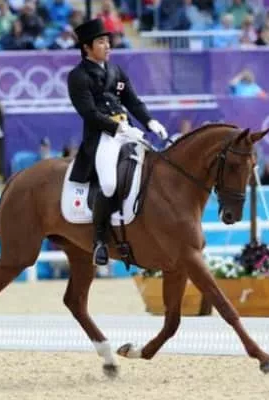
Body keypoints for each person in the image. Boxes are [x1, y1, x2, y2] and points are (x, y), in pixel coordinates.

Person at [67, 18, 168, 266]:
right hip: (103, 136)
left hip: (128, 131)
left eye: (108, 41)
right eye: (101, 42)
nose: (108, 46)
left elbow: (132, 101)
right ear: (87, 47)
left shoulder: (116, 71)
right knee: (110, 184)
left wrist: (150, 122)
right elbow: (89, 113)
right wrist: (118, 128)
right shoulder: (78, 76)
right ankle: (100, 241)